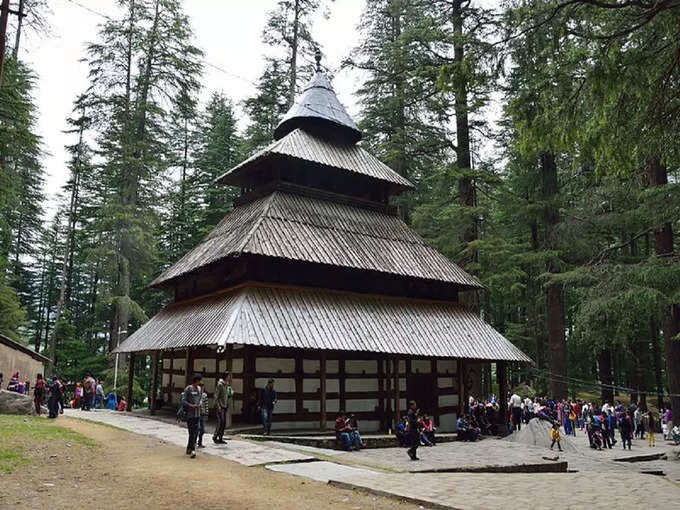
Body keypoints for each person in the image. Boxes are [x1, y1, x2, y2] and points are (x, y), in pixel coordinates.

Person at [182, 374, 203, 458]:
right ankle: (193, 449)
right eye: (199, 380)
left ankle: (189, 448)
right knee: (191, 432)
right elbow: (183, 400)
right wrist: (191, 405)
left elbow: (201, 398)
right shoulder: (188, 389)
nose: (200, 382)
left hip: (197, 413)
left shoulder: (199, 389)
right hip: (190, 414)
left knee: (196, 431)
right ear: (196, 380)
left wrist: (200, 403)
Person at [213, 372, 233, 444]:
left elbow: (227, 395)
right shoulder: (220, 385)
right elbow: (216, 396)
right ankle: (215, 436)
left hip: (225, 405)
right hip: (220, 406)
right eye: (228, 376)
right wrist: (218, 405)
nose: (229, 378)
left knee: (224, 423)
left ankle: (220, 437)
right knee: (221, 422)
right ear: (225, 376)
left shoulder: (227, 385)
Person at [197, 382, 209, 448]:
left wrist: (207, 413)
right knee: (197, 428)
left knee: (202, 429)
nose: (202, 388)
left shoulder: (204, 395)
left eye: (203, 387)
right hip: (197, 413)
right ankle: (195, 441)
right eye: (201, 387)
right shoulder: (197, 394)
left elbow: (206, 405)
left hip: (203, 413)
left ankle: (200, 442)